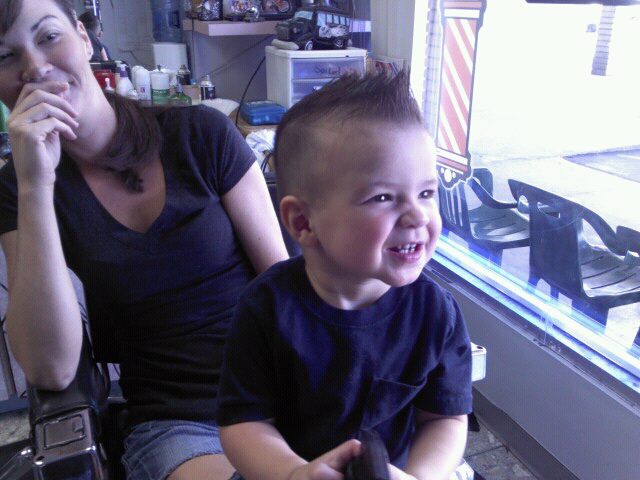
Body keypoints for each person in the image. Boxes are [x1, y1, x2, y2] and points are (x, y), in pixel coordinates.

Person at [0, 1, 288, 479]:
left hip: (284, 394)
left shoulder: (201, 135)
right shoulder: (21, 188)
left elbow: (285, 287)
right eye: (4, 56)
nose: (34, 67)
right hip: (179, 427)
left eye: (48, 37)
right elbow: (51, 369)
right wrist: (35, 185)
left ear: (84, 38)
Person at [217, 71, 473, 480]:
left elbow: (445, 419)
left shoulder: (435, 312)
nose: (418, 215)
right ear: (303, 222)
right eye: (383, 197)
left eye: (426, 193)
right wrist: (295, 473)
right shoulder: (265, 308)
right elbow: (244, 425)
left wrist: (421, 476)